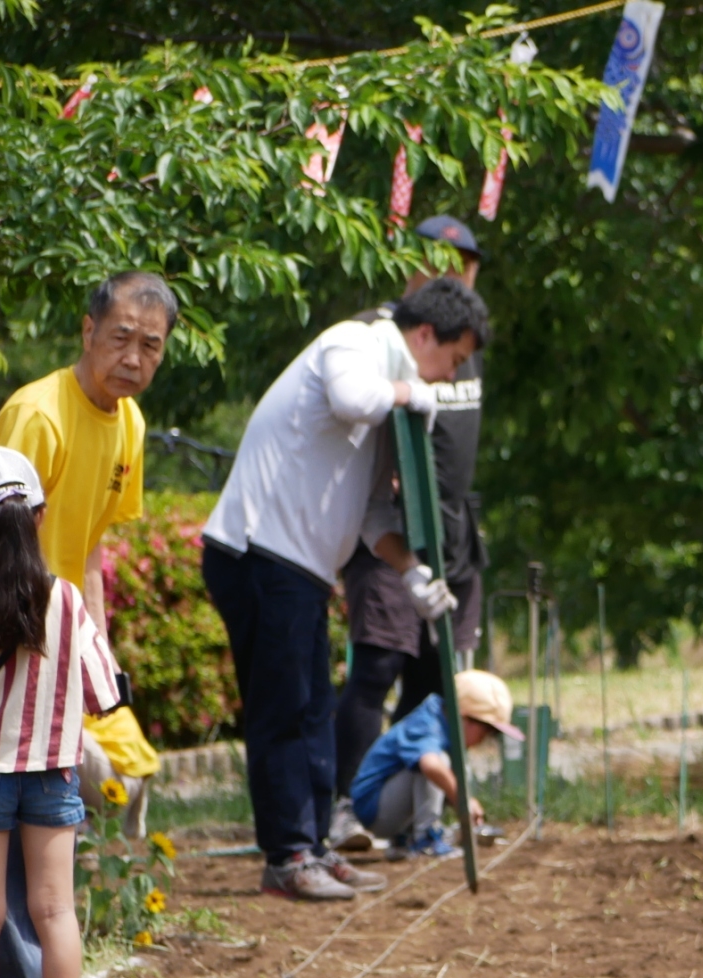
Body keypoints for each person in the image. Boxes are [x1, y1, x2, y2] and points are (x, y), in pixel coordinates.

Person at [202, 277, 488, 901]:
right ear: (422, 335)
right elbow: (353, 397)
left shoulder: (393, 404)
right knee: (282, 709)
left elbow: (373, 517)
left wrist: (413, 574)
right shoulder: (353, 345)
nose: (446, 379)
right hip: (257, 554)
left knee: (310, 709)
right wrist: (413, 393)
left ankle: (316, 847)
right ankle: (287, 856)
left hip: (301, 570)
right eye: (452, 361)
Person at [0, 271, 175, 978]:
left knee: (43, 808)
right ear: (87, 332)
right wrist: (20, 655)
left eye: (150, 345)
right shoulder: (38, 416)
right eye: (121, 337)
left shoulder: (126, 423)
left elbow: (90, 549)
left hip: (54, 640)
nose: (132, 357)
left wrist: (99, 664)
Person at [332, 217, 492, 850]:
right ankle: (343, 809)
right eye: (440, 259)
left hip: (456, 533)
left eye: (466, 262)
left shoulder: (469, 346)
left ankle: (410, 819)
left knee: (434, 683)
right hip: (392, 531)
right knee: (377, 667)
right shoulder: (384, 336)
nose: (454, 270)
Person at [0, 448, 119, 978]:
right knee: (56, 911)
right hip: (54, 771)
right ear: (41, 515)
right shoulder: (67, 600)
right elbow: (103, 690)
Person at [347, 669, 517, 857]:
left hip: (390, 807)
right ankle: (426, 839)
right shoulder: (427, 724)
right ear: (464, 717)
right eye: (486, 731)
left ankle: (405, 840)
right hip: (374, 810)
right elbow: (430, 766)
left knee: (449, 770)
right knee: (436, 764)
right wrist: (463, 800)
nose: (485, 739)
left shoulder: (442, 725)